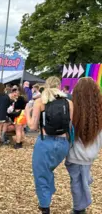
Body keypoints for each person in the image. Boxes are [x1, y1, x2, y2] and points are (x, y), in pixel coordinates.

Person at [26, 76, 73, 214]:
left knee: (41, 174)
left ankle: (45, 206)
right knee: (48, 170)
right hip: (63, 144)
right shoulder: (68, 102)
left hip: (45, 142)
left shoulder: (40, 102)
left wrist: (27, 113)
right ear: (59, 86)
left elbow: (33, 127)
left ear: (46, 86)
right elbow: (70, 125)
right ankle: (48, 193)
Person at [65, 78, 102, 214]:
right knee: (81, 178)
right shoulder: (99, 112)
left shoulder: (72, 110)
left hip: (76, 154)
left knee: (77, 182)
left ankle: (79, 209)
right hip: (91, 153)